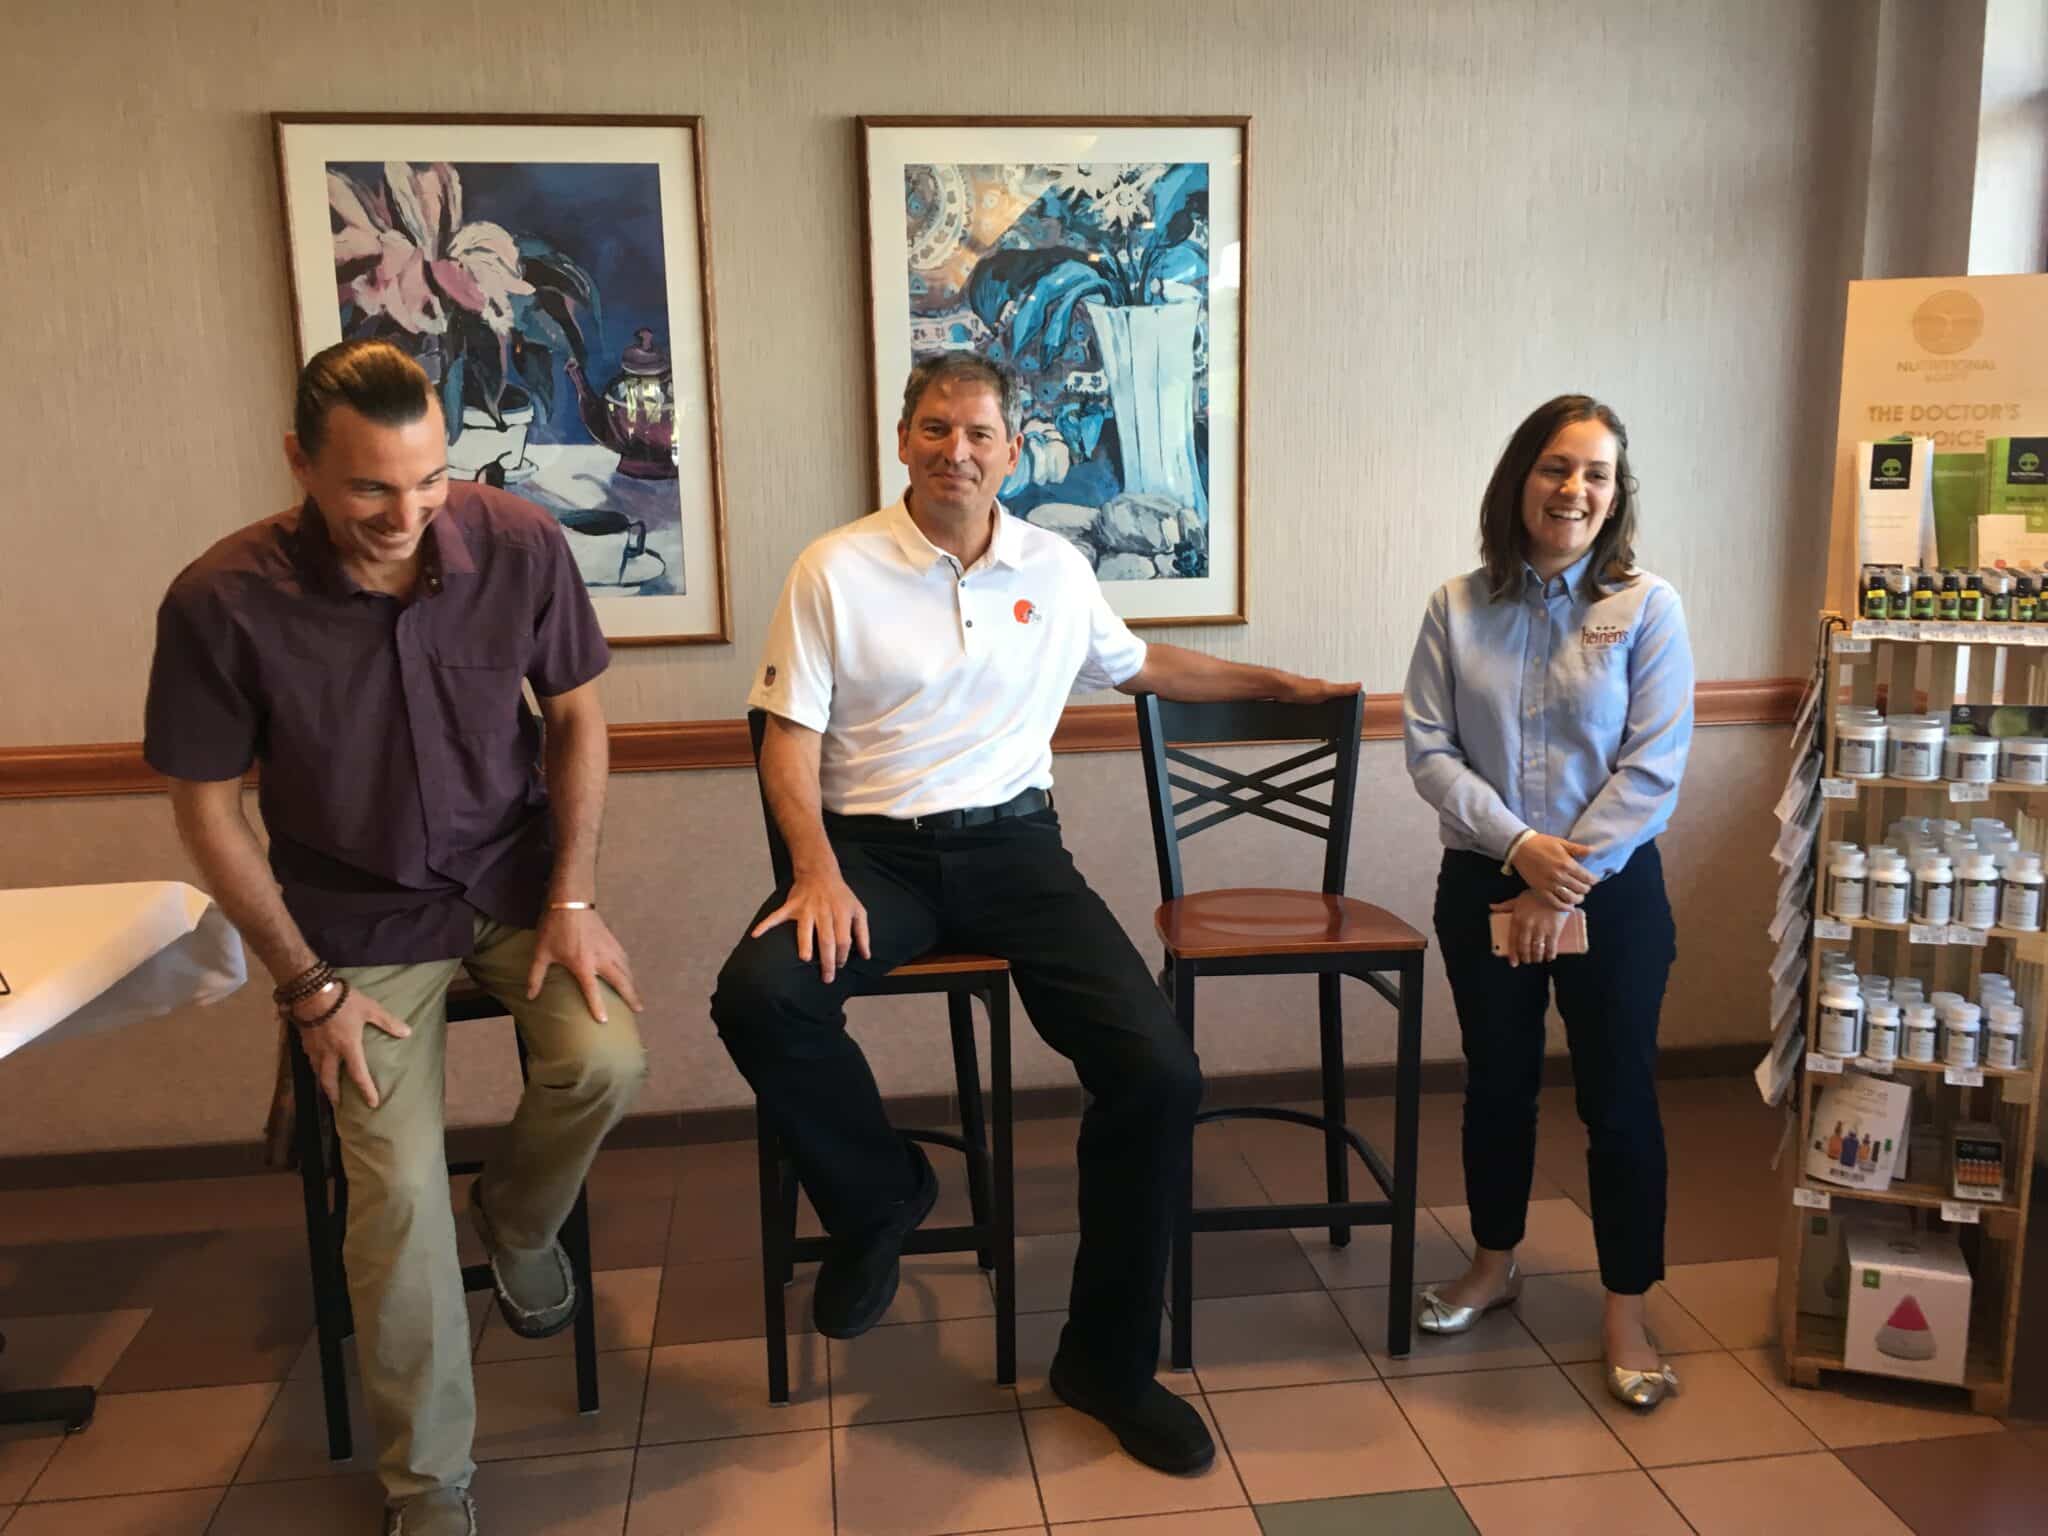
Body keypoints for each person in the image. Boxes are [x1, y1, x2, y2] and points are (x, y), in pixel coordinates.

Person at [713, 353, 1355, 1473]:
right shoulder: (835, 568)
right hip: (874, 857)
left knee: (1157, 1073)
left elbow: (1140, 664)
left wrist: (1280, 685)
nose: (954, 451)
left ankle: (1106, 1363)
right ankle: (879, 1199)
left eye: (977, 433)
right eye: (933, 428)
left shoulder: (1054, 567)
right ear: (901, 441)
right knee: (759, 996)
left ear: (1013, 450)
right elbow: (788, 733)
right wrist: (813, 869)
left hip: (1016, 853)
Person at [144, 339, 648, 1536]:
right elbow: (207, 813)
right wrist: (305, 987)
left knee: (606, 1061)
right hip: (356, 920)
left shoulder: (516, 541)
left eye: (428, 481)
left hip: (513, 884)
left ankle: (517, 1219)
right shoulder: (221, 598)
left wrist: (574, 896)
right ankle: (429, 1486)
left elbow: (576, 718)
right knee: (401, 1197)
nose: (407, 514)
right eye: (370, 488)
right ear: (300, 463)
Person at [1401, 394, 1694, 1410]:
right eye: (1555, 468)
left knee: (1618, 1099)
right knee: (1497, 1084)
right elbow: (1429, 750)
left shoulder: (1646, 607)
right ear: (1519, 479)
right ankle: (1493, 1264)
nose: (1574, 490)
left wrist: (1561, 878)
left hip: (1611, 889)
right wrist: (1520, 850)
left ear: (1616, 494)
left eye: (1596, 474)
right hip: (1485, 876)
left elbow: (1653, 766)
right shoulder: (1456, 606)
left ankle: (1626, 1308)